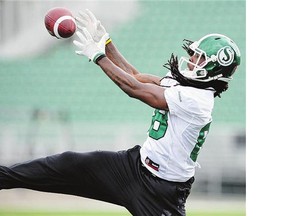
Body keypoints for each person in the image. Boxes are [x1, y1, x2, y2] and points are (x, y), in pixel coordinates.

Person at [0, 9, 241, 216]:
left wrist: (98, 57)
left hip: (162, 191)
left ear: (212, 69)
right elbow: (136, 76)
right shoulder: (187, 86)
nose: (191, 61)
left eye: (198, 58)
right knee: (69, 163)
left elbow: (133, 88)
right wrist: (105, 40)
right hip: (134, 166)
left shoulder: (197, 99)